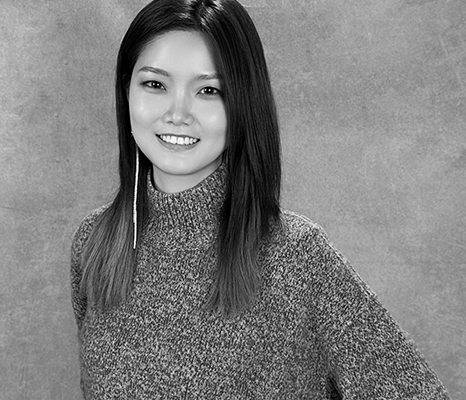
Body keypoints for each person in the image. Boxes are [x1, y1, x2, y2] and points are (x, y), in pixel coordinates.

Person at [70, 0, 450, 398]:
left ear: (244, 103)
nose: (177, 113)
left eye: (209, 90)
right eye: (155, 85)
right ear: (126, 90)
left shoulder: (297, 256)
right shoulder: (93, 243)